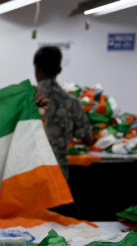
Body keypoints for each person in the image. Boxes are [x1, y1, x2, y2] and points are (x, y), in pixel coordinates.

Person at [34, 46, 93, 181]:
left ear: (37, 70)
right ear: (59, 70)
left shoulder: (28, 100)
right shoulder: (71, 102)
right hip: (59, 174)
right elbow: (88, 139)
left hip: (32, 171)